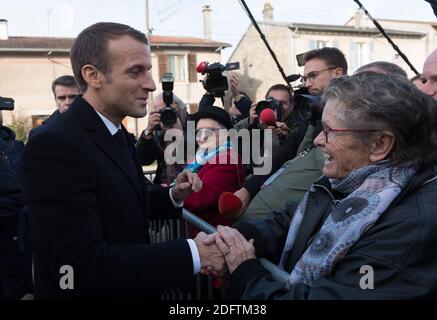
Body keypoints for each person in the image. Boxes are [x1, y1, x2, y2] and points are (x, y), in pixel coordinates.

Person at [20, 22, 225, 299]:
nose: (151, 84)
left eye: (149, 70)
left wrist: (173, 196)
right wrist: (194, 254)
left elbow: (119, 199)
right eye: (135, 71)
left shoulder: (115, 132)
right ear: (93, 75)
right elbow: (78, 267)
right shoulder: (54, 145)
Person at [208, 72, 437, 299]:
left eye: (329, 131)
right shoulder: (347, 180)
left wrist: (247, 273)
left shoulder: (411, 228)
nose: (318, 140)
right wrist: (228, 240)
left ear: (379, 144)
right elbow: (289, 219)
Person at [234, 47, 348, 219]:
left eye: (313, 75)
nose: (307, 84)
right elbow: (284, 153)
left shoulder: (350, 118)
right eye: (305, 78)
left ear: (337, 73)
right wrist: (247, 189)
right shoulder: (312, 114)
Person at [184, 106, 244, 229]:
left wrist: (171, 194)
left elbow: (201, 197)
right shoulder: (200, 157)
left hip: (214, 237)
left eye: (209, 131)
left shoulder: (226, 158)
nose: (202, 137)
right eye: (198, 132)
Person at [136, 93, 188, 185]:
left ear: (179, 108)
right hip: (164, 188)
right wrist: (148, 131)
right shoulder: (158, 130)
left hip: (190, 186)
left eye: (169, 110)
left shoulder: (193, 124)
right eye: (160, 112)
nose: (166, 114)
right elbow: (143, 160)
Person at [28, 75, 80, 140]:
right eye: (62, 98)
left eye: (72, 97)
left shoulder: (95, 126)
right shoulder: (39, 134)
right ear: (55, 99)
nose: (67, 102)